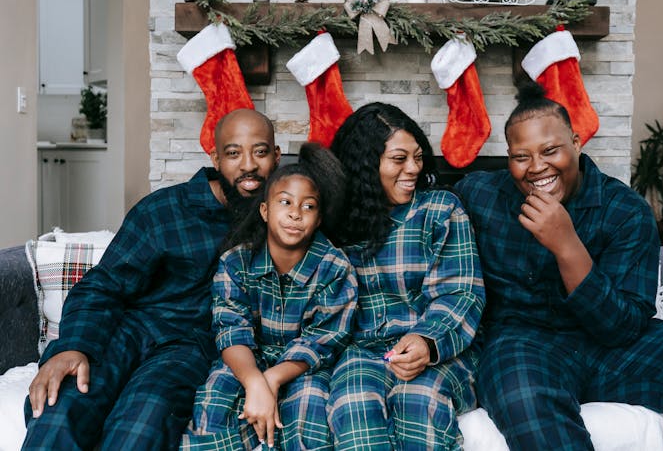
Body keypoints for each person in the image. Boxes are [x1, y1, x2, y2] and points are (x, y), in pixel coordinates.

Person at [454, 82, 663, 450]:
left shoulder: (625, 210)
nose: (536, 167)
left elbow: (623, 327)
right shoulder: (480, 194)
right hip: (522, 341)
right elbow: (422, 213)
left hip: (610, 345)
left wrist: (568, 247)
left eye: (550, 150)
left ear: (577, 143)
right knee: (523, 395)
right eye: (521, 156)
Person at [23, 108, 281, 450]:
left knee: (141, 423)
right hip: (129, 330)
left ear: (276, 157)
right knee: (61, 405)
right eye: (234, 153)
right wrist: (73, 346)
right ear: (215, 158)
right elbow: (104, 285)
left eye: (260, 152)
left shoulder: (283, 218)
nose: (248, 165)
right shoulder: (164, 211)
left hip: (189, 348)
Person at [326, 102, 485, 450]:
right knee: (352, 403)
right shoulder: (337, 221)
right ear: (367, 166)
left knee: (419, 399)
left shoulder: (440, 210)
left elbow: (461, 293)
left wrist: (427, 342)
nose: (413, 168)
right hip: (365, 353)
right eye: (399, 159)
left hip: (441, 351)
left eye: (417, 157)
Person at [181, 142, 358, 450]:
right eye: (285, 203)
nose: (295, 214)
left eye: (308, 206)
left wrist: (272, 380)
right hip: (246, 359)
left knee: (308, 413)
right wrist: (254, 382)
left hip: (304, 367)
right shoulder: (236, 262)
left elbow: (323, 339)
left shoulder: (335, 267)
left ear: (318, 219)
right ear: (265, 210)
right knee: (215, 399)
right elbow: (231, 329)